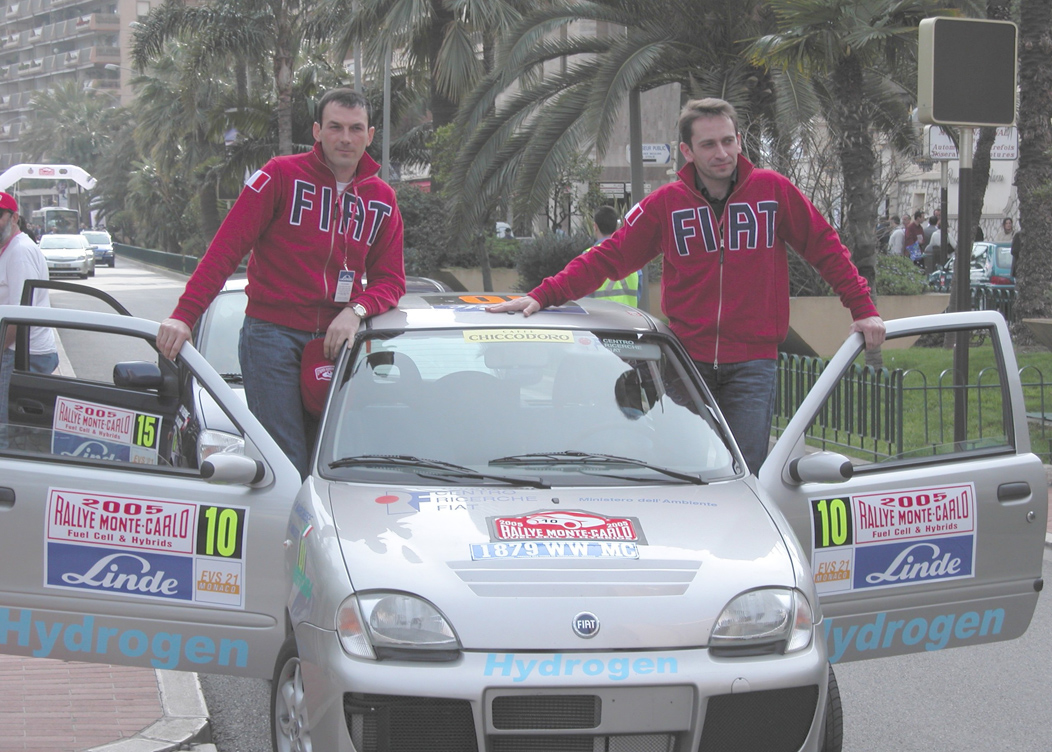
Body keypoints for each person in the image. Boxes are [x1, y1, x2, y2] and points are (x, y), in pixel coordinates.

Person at [485, 98, 884, 475]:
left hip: (752, 364)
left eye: (728, 141)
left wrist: (863, 308)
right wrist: (544, 293)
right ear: (687, 151)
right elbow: (611, 255)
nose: (722, 152)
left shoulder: (773, 191)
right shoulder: (666, 204)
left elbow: (825, 247)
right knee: (683, 469)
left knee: (743, 471)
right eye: (708, 144)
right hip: (686, 363)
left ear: (739, 141)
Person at [156, 88, 406, 478]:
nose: (345, 137)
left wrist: (355, 311)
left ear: (370, 135)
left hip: (338, 341)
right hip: (271, 336)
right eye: (335, 127)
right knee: (286, 460)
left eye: (356, 129)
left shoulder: (382, 198)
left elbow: (391, 281)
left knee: (339, 458)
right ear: (317, 131)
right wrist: (184, 316)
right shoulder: (279, 175)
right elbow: (224, 250)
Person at [0, 191, 59, 427]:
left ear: (14, 218)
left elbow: (20, 315)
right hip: (17, 350)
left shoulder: (19, 252)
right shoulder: (10, 249)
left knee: (6, 428)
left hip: (22, 353)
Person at [586, 205, 639, 307]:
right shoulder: (631, 255)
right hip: (629, 320)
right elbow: (638, 291)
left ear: (595, 227)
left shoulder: (588, 256)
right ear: (617, 226)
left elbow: (583, 294)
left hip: (599, 320)